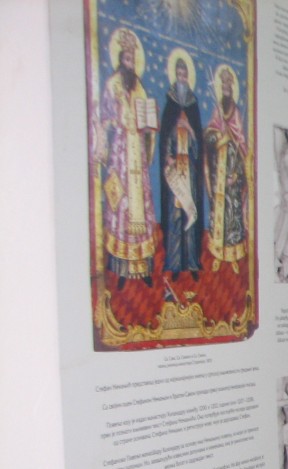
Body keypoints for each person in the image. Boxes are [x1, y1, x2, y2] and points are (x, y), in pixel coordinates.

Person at [94, 28, 158, 289]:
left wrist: (149, 126)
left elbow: (147, 123)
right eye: (127, 59)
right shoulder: (112, 85)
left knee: (140, 205)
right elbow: (104, 118)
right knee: (122, 205)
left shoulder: (139, 87)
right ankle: (121, 267)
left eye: (133, 60)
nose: (130, 64)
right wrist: (107, 135)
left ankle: (142, 267)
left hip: (137, 152)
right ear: (120, 60)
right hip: (121, 151)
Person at [159, 52, 204, 282]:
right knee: (176, 217)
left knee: (190, 215)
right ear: (174, 75)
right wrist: (167, 157)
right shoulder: (170, 103)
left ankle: (192, 263)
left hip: (190, 173)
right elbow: (165, 139)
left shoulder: (194, 104)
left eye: (184, 74)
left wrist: (190, 129)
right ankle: (176, 263)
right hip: (176, 174)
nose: (181, 78)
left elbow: (198, 148)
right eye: (178, 74)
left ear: (188, 77)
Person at [204, 65, 248, 274]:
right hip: (218, 173)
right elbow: (209, 135)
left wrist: (237, 174)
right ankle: (218, 255)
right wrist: (218, 137)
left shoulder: (236, 113)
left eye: (229, 85)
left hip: (232, 175)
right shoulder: (217, 110)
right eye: (224, 85)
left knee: (233, 217)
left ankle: (232, 257)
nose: (226, 88)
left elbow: (242, 147)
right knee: (219, 215)